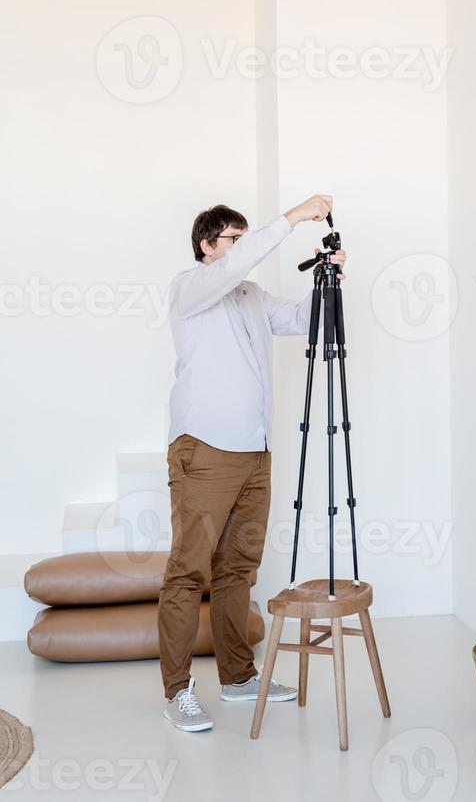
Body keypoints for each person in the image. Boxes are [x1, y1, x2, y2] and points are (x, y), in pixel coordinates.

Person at [158, 194, 347, 732]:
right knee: (187, 571)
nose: (243, 250)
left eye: (245, 238)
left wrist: (329, 281)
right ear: (207, 246)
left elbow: (305, 322)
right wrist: (293, 216)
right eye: (233, 240)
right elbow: (242, 261)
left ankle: (238, 676)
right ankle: (176, 691)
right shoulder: (189, 288)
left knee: (238, 569)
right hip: (206, 449)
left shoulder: (251, 295)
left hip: (254, 453)